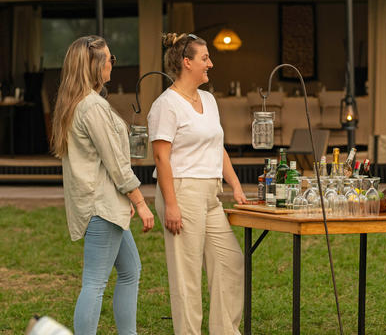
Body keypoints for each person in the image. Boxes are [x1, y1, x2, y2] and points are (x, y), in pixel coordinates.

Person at [51, 35, 155, 335]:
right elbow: (117, 165)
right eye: (109, 58)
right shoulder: (92, 107)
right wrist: (140, 202)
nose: (112, 63)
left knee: (130, 270)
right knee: (95, 283)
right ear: (94, 65)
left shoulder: (76, 103)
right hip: (101, 207)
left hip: (104, 204)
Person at [148, 33, 248, 335]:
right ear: (186, 62)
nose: (211, 64)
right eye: (205, 58)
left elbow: (217, 147)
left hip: (210, 194)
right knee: (186, 277)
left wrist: (236, 185)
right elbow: (161, 157)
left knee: (230, 262)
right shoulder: (166, 105)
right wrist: (172, 205)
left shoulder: (208, 99)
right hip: (181, 191)